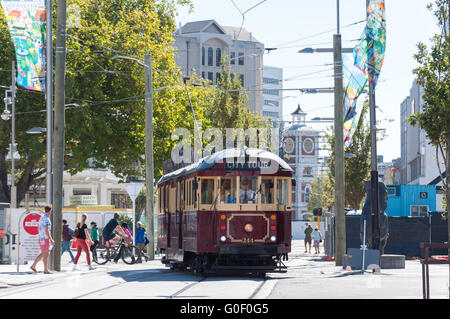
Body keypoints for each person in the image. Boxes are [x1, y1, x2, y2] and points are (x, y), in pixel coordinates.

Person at [31, 205, 55, 274]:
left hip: (41, 238)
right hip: (45, 238)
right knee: (46, 254)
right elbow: (46, 230)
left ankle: (33, 266)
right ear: (50, 211)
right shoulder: (47, 219)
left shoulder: (41, 218)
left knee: (43, 253)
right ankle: (45, 270)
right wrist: (51, 239)